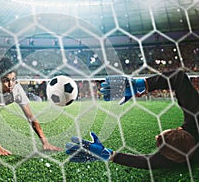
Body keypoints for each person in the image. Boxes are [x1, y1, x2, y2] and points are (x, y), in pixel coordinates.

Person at [66, 69, 199, 169]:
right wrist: (140, 85)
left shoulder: (176, 157)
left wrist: (108, 154)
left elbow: (145, 163)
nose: (156, 136)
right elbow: (146, 162)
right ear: (178, 129)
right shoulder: (195, 116)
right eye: (160, 136)